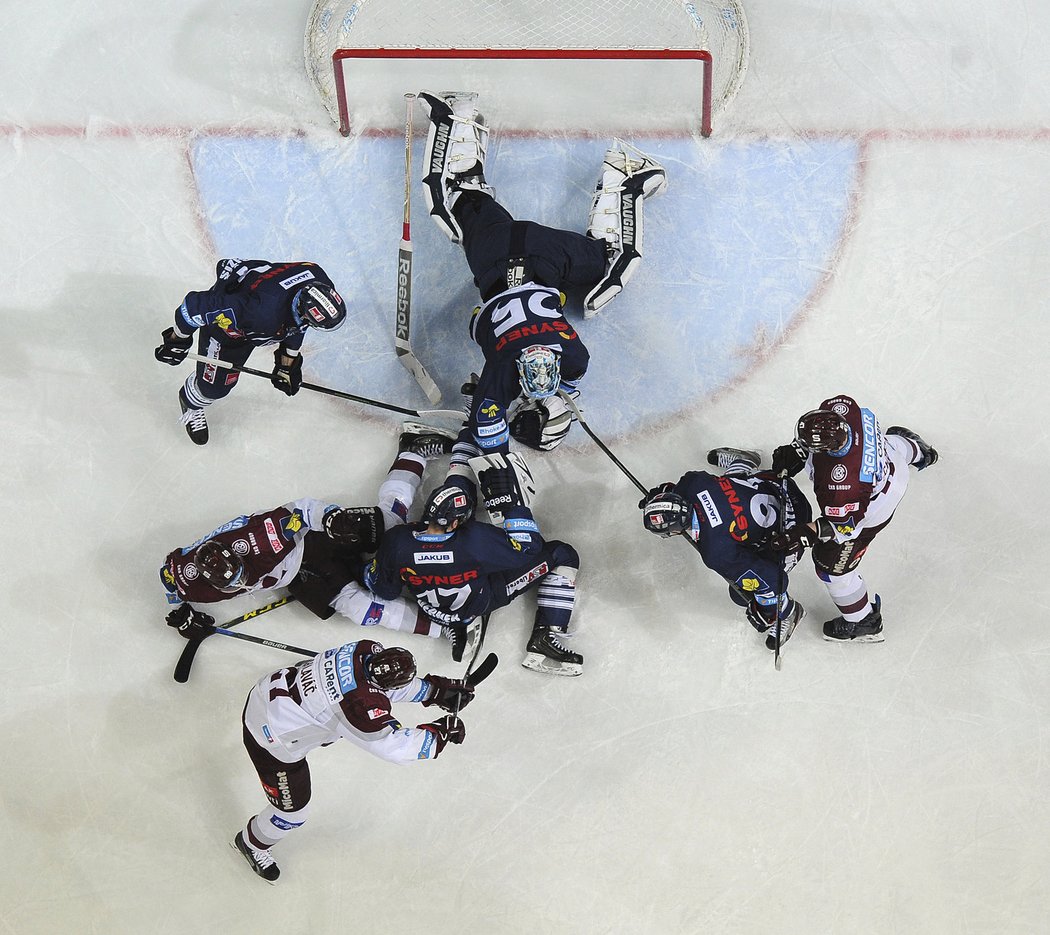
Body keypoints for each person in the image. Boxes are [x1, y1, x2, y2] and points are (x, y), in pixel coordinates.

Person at [416, 89, 666, 489]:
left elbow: (567, 378)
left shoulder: (573, 357)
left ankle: (625, 174)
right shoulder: (500, 370)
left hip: (550, 255)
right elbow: (485, 424)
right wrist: (496, 445)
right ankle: (457, 116)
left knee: (608, 259)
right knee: (462, 197)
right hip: (493, 252)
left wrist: (557, 400)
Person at [160, 424, 462, 649]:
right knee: (360, 610)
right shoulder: (191, 580)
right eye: (232, 583)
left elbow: (302, 511)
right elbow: (169, 580)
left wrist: (330, 518)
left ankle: (413, 449)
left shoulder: (260, 540)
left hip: (312, 539)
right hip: (300, 575)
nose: (241, 582)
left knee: (391, 522)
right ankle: (442, 626)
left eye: (239, 573)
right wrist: (184, 615)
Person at [233, 641, 470, 883]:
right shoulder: (357, 707)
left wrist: (434, 692)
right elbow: (394, 747)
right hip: (269, 738)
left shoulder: (365, 649)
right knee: (292, 814)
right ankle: (251, 843)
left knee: (334, 712)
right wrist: (439, 734)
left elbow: (375, 687)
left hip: (267, 693)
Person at [363, 452, 584, 676]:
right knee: (562, 553)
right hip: (482, 600)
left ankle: (466, 442)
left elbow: (384, 589)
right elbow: (528, 547)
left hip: (432, 610)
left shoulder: (398, 540)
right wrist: (510, 504)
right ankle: (544, 637)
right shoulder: (475, 542)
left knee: (459, 488)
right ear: (455, 523)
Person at [766, 394, 939, 643]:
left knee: (831, 569)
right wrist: (798, 450)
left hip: (875, 508)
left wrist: (805, 533)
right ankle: (920, 451)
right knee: (890, 445)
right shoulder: (844, 408)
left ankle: (862, 622)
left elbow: (843, 527)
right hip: (892, 463)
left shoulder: (842, 487)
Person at [153, 258, 347, 444]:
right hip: (228, 333)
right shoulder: (257, 312)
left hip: (255, 291)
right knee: (214, 388)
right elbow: (193, 307)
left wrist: (287, 364)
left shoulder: (319, 277)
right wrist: (177, 340)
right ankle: (191, 402)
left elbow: (298, 325)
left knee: (278, 320)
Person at [639, 447, 814, 651]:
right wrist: (665, 493)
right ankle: (744, 462)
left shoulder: (716, 552)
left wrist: (767, 611)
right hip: (780, 486)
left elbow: (774, 580)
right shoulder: (692, 482)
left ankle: (788, 611)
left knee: (740, 593)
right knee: (728, 488)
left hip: (795, 528)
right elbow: (677, 489)